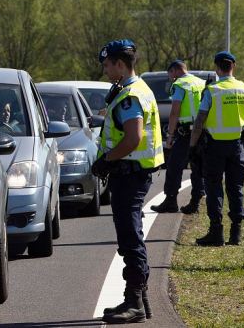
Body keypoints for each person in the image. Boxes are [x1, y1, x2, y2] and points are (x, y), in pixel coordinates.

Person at [91, 39, 164, 324]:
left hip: (129, 174)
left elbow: (133, 138)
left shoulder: (130, 97)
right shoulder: (137, 88)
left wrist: (106, 159)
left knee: (130, 238)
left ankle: (134, 302)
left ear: (120, 64)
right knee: (131, 235)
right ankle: (139, 301)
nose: (106, 70)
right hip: (133, 173)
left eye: (107, 65)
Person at [189, 51, 244, 246]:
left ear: (217, 68)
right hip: (236, 145)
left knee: (213, 186)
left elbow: (200, 120)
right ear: (233, 67)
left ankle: (216, 232)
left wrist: (192, 146)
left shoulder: (212, 90)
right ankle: (236, 233)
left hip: (214, 146)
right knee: (236, 187)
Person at [151, 60, 206, 214]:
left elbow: (175, 111)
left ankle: (171, 201)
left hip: (185, 133)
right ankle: (195, 203)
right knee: (197, 167)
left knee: (174, 166)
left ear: (174, 71)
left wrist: (170, 135)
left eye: (170, 75)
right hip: (201, 132)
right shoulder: (200, 83)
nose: (170, 79)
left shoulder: (180, 85)